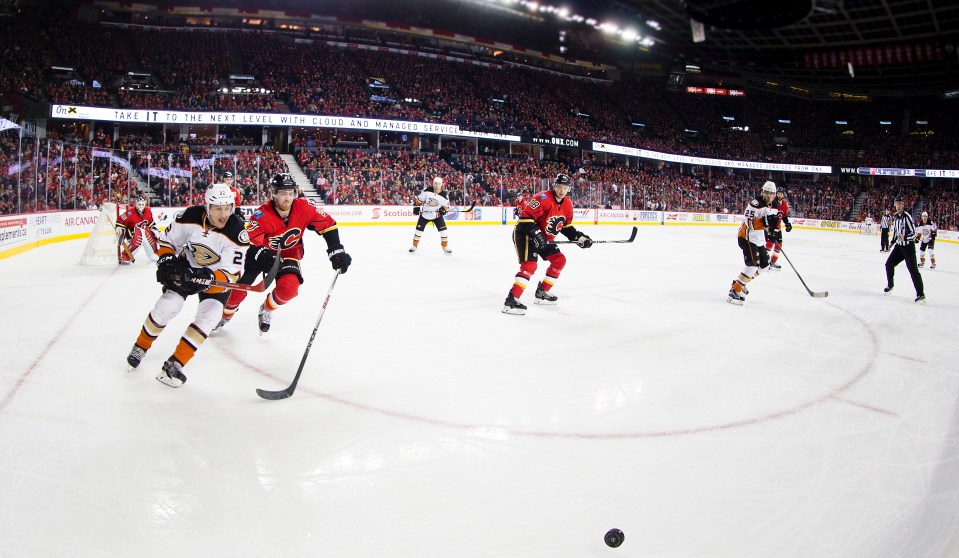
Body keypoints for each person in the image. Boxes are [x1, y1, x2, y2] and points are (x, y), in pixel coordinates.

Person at [125, 183, 251, 387]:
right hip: (186, 268)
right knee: (167, 306)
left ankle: (175, 364)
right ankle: (140, 346)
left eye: (227, 207)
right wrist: (166, 261)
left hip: (213, 279)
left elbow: (231, 275)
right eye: (218, 208)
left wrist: (209, 278)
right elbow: (167, 242)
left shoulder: (237, 232)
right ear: (207, 207)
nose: (223, 214)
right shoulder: (189, 217)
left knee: (210, 316)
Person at [218, 174, 352, 334]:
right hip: (262, 255)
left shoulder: (305, 208)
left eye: (290, 193)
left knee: (289, 288)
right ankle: (225, 316)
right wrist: (260, 253)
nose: (287, 198)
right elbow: (248, 242)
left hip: (289, 253)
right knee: (238, 290)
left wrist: (336, 250)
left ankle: (266, 310)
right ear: (274, 194)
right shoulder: (261, 215)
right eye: (282, 193)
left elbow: (328, 225)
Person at [502, 173, 592, 315]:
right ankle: (511, 301)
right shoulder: (542, 198)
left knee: (559, 260)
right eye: (559, 187)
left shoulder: (567, 204)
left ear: (569, 189)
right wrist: (537, 235)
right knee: (530, 265)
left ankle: (542, 291)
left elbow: (565, 226)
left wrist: (579, 237)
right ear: (554, 186)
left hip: (543, 236)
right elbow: (525, 220)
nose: (562, 191)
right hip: (525, 234)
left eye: (565, 188)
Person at [727, 180, 781, 306]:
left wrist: (773, 233)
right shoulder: (755, 204)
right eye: (766, 192)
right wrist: (765, 222)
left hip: (759, 239)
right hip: (747, 237)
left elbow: (772, 223)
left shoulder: (775, 206)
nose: (768, 195)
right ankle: (734, 291)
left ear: (774, 194)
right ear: (762, 192)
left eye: (771, 193)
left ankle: (740, 283)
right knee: (752, 265)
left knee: (765, 265)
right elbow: (749, 223)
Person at [884, 196, 925, 303]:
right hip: (899, 247)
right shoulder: (896, 217)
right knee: (889, 264)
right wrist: (892, 243)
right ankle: (890, 285)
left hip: (908, 248)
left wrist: (905, 238)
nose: (898, 206)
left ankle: (921, 294)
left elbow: (914, 234)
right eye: (896, 204)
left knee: (913, 270)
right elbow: (896, 232)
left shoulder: (907, 217)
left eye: (900, 204)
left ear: (903, 205)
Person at [409, 176, 453, 254]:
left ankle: (445, 247)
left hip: (437, 216)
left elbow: (446, 206)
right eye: (435, 183)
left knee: (444, 232)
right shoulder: (427, 190)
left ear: (441, 185)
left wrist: (444, 210)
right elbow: (419, 200)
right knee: (418, 231)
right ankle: (414, 246)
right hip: (425, 214)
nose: (436, 185)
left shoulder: (444, 195)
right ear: (433, 184)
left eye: (438, 184)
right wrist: (416, 207)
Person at [116, 195, 159, 264]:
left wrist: (156, 231)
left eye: (142, 204)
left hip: (144, 234)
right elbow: (120, 221)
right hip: (132, 235)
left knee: (150, 234)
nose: (140, 206)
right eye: (139, 204)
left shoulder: (148, 211)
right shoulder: (130, 213)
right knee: (139, 236)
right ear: (136, 204)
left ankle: (153, 253)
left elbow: (151, 224)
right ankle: (126, 255)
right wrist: (120, 230)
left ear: (145, 204)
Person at [763, 187, 792, 270]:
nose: (780, 195)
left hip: (778, 228)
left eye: (781, 194)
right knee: (769, 245)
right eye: (778, 193)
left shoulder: (785, 204)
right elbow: (767, 216)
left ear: (783, 195)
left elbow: (784, 216)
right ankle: (765, 261)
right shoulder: (772, 202)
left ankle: (772, 262)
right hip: (771, 228)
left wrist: (788, 224)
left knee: (779, 246)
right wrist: (768, 228)